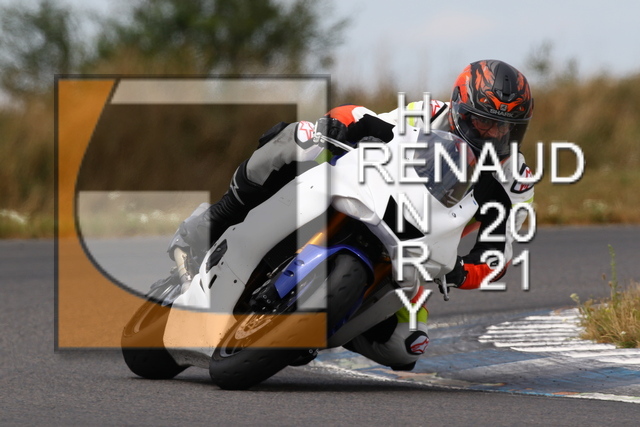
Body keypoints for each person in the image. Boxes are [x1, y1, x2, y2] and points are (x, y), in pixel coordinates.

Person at [171, 59, 535, 370]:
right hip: (373, 196)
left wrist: (461, 271)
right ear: (458, 109)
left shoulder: (515, 180)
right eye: (482, 122)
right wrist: (335, 125)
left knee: (405, 348)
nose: (493, 134)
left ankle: (328, 321)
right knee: (297, 139)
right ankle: (219, 217)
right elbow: (363, 118)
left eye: (505, 127)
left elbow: (497, 256)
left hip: (420, 247)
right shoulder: (425, 115)